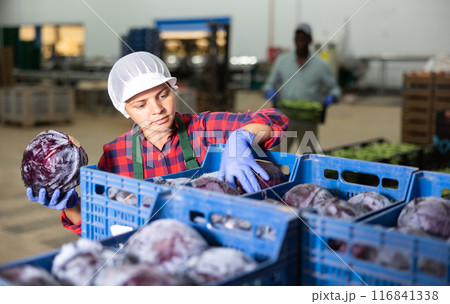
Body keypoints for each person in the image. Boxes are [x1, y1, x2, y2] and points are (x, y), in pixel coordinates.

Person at [26, 51, 289, 236]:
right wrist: (72, 205)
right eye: (141, 105)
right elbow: (103, 229)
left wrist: (241, 138)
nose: (157, 110)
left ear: (173, 90)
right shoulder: (115, 156)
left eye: (163, 95)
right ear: (125, 109)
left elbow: (274, 119)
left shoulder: (204, 129)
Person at [263, 23, 341, 154]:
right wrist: (269, 91)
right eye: (298, 37)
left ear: (310, 40)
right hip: (284, 120)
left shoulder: (320, 65)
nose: (300, 40)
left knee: (308, 159)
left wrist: (332, 97)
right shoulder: (282, 61)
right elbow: (269, 84)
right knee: (277, 158)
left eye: (304, 37)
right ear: (294, 39)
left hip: (308, 121)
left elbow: (334, 88)